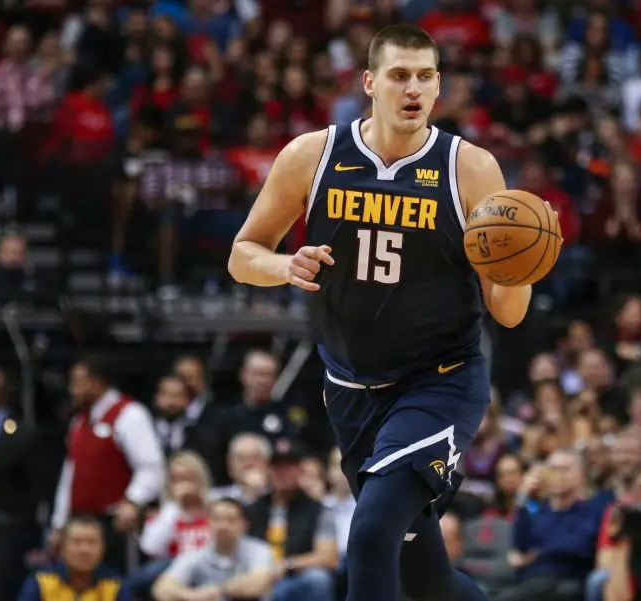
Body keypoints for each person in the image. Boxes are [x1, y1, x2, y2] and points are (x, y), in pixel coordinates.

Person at [229, 23, 534, 601]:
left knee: (370, 536)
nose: (413, 89)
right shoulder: (313, 155)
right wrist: (285, 265)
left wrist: (520, 269)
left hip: (439, 382)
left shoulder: (469, 168)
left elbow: (509, 313)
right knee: (425, 578)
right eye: (399, 76)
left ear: (439, 86)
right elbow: (243, 255)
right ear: (369, 83)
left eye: (425, 77)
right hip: (351, 389)